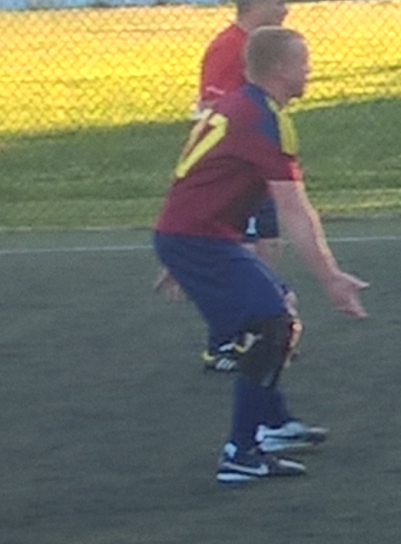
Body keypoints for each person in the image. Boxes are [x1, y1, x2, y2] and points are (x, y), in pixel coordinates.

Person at [153, 25, 369, 483]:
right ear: (280, 68)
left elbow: (199, 179)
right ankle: (241, 452)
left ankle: (271, 425)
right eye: (303, 62)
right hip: (199, 239)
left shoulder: (239, 106)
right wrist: (331, 277)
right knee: (272, 324)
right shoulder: (262, 119)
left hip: (197, 237)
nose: (310, 70)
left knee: (276, 310)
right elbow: (294, 209)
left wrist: (175, 251)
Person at [180, 0, 291, 369]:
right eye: (279, 2)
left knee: (269, 245)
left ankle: (261, 330)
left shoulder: (260, 49)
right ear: (256, 5)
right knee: (239, 255)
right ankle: (223, 342)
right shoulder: (228, 48)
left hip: (259, 167)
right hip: (235, 173)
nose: (285, 10)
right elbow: (213, 111)